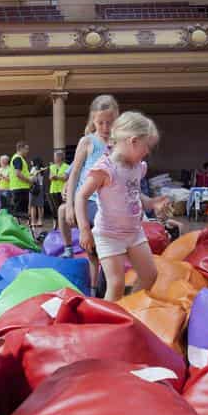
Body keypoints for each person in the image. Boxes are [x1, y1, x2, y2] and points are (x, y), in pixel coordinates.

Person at [75, 111, 170, 301]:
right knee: (116, 284)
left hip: (134, 233)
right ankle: (111, 323)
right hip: (109, 235)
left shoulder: (137, 166)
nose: (148, 152)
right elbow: (81, 196)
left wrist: (151, 203)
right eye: (147, 147)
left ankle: (127, 308)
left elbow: (133, 192)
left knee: (150, 276)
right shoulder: (105, 168)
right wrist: (85, 229)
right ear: (133, 141)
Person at [58, 95, 120, 296]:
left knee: (98, 251)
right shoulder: (87, 141)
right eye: (100, 122)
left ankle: (96, 288)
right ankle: (68, 249)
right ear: (93, 121)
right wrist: (69, 204)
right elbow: (75, 171)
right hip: (86, 200)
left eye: (109, 123)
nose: (104, 127)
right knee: (62, 213)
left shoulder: (118, 143)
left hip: (106, 202)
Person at [8, 142, 32, 220]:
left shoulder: (18, 158)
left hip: (19, 188)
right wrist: (29, 180)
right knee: (19, 213)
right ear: (21, 149)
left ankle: (18, 229)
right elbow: (18, 173)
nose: (27, 151)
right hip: (20, 188)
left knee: (19, 213)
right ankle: (17, 230)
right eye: (26, 149)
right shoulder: (18, 158)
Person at [47, 149, 70, 216]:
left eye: (55, 156)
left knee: (63, 207)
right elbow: (50, 177)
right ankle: (55, 223)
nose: (54, 158)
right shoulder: (52, 166)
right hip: (53, 190)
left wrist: (57, 177)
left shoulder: (67, 166)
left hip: (62, 190)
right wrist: (53, 177)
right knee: (54, 209)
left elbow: (66, 178)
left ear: (60, 157)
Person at [28, 156, 47, 227]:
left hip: (34, 187)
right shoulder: (41, 169)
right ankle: (40, 221)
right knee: (40, 206)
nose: (31, 162)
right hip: (40, 187)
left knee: (33, 205)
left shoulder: (34, 168)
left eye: (32, 161)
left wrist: (30, 176)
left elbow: (32, 178)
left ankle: (33, 221)